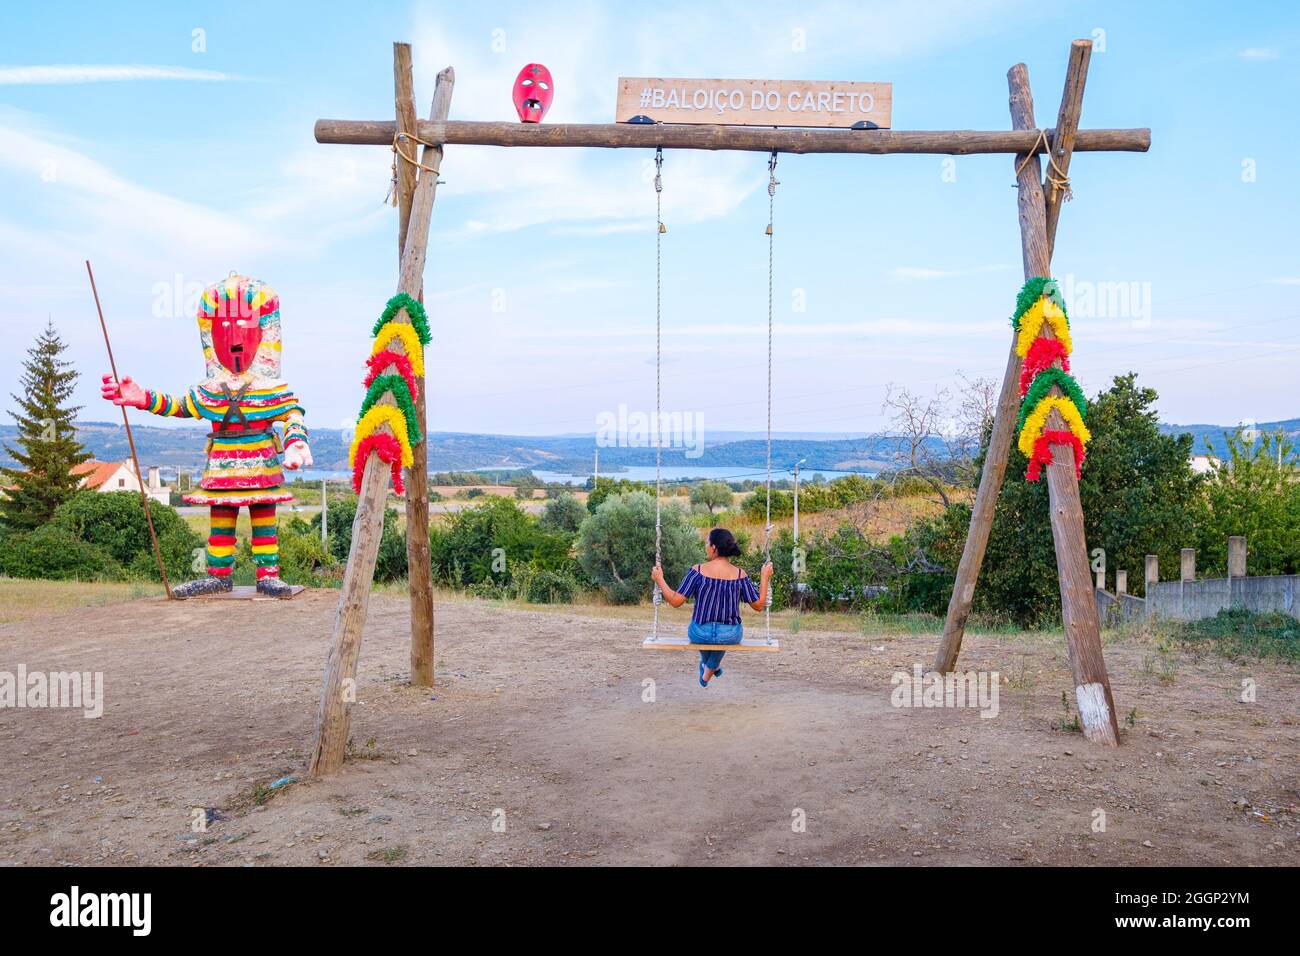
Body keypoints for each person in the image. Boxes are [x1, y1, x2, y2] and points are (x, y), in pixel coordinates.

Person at [101, 273, 311, 599]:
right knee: (221, 519)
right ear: (211, 332)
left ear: (264, 331)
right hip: (223, 468)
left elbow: (293, 415)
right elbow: (178, 406)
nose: (235, 336)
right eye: (225, 326)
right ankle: (218, 575)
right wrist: (142, 397)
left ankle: (268, 574)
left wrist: (296, 443)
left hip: (260, 467)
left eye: (244, 324)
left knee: (263, 515)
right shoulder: (208, 392)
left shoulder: (272, 391)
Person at [650, 528, 773, 687]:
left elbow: (675, 601)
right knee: (721, 638)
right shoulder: (740, 575)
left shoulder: (697, 571)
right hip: (730, 634)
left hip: (699, 633)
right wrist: (765, 577)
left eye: (706, 543)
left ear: (714, 547)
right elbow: (758, 605)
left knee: (706, 635)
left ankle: (709, 666)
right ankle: (711, 666)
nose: (705, 546)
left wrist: (660, 580)